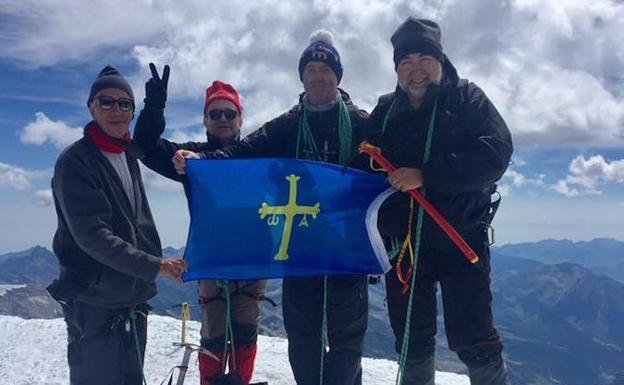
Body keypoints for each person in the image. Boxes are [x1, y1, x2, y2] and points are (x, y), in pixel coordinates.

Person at [172, 31, 370, 385]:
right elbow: (244, 152)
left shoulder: (361, 124)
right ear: (302, 77)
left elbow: (388, 165)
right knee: (304, 340)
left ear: (338, 75)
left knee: (346, 343)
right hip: (300, 250)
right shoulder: (289, 125)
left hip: (346, 251)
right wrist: (204, 161)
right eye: (310, 69)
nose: (318, 76)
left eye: (325, 69)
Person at [365, 18, 513, 385]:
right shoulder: (386, 111)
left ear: (440, 61)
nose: (415, 71)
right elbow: (362, 163)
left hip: (460, 239)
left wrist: (426, 174)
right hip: (405, 247)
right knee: (411, 338)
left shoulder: (468, 99)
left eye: (423, 59)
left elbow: (496, 154)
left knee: (474, 336)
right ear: (397, 68)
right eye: (405, 63)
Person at [47, 65, 187, 385]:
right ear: (91, 107)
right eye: (107, 101)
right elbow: (92, 235)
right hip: (95, 302)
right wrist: (155, 266)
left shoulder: (127, 153)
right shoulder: (75, 161)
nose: (116, 110)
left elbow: (150, 141)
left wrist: (154, 109)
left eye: (125, 103)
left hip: (131, 300)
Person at [133, 64, 267, 385]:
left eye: (229, 113)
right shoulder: (191, 158)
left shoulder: (256, 153)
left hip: (251, 260)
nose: (223, 119)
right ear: (205, 120)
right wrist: (153, 109)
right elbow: (145, 147)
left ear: (240, 120)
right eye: (216, 113)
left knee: (246, 333)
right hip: (212, 259)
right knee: (213, 334)